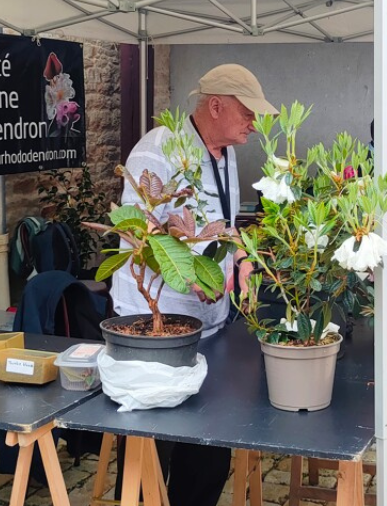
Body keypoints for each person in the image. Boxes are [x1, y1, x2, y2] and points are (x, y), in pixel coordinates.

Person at [111, 63, 276, 506]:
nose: (254, 124)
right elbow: (137, 235)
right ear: (216, 106)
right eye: (247, 113)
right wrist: (186, 274)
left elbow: (221, 226)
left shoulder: (227, 153)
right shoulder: (157, 151)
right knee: (152, 446)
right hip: (155, 323)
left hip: (209, 321)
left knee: (208, 443)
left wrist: (240, 258)